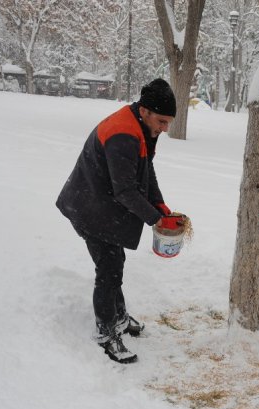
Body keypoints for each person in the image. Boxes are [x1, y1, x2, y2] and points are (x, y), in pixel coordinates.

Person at [56, 78, 184, 364]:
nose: (165, 129)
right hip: (87, 206)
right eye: (162, 122)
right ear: (146, 111)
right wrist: (155, 220)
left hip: (100, 202)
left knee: (114, 264)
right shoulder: (123, 134)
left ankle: (120, 317)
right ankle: (106, 331)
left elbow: (145, 170)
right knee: (109, 267)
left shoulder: (142, 126)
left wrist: (160, 205)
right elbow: (125, 189)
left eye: (168, 123)